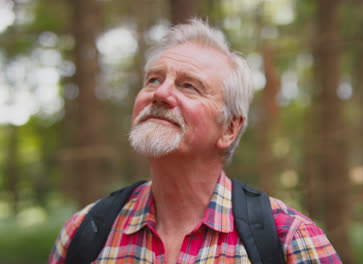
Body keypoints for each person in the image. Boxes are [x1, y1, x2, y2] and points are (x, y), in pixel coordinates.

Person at [49, 19, 341, 264]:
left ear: (229, 128)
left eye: (188, 86)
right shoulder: (83, 233)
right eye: (153, 80)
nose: (161, 94)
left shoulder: (291, 241)